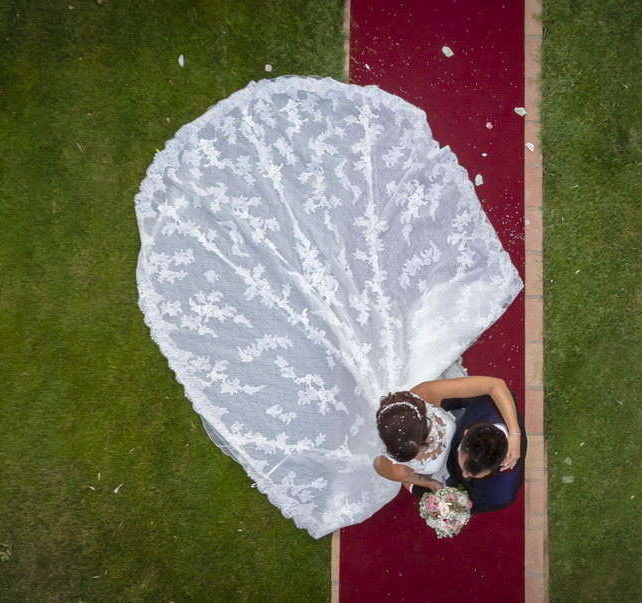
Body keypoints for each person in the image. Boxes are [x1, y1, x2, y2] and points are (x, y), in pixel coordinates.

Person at [134, 76, 523, 538]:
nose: (457, 462)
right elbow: (409, 470)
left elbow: (401, 471)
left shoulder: (423, 397)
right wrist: (439, 484)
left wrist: (429, 483)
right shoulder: (423, 406)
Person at [373, 377, 521, 496]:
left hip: (468, 432)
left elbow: (494, 384)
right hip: (449, 469)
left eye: (422, 450)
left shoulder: (424, 394)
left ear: (427, 432)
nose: (422, 455)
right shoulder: (396, 468)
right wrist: (430, 483)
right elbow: (396, 473)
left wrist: (515, 433)